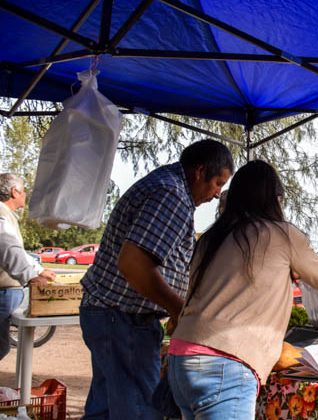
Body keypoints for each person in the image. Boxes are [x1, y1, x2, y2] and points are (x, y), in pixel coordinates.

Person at [79, 139, 234, 419]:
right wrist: (179, 310)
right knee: (139, 410)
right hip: (122, 318)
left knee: (105, 409)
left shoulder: (166, 185)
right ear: (199, 172)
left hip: (108, 314)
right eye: (217, 184)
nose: (216, 194)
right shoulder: (171, 195)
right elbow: (134, 263)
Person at [168, 160, 318, 419]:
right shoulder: (281, 234)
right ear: (276, 199)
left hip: (181, 356)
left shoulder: (213, 237)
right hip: (226, 363)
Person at [0, 174, 56, 360]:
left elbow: (17, 250)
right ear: (14, 192)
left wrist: (38, 270)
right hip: (3, 292)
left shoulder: (6, 215)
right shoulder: (1, 213)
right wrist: (30, 275)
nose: (25, 194)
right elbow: (6, 246)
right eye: (23, 190)